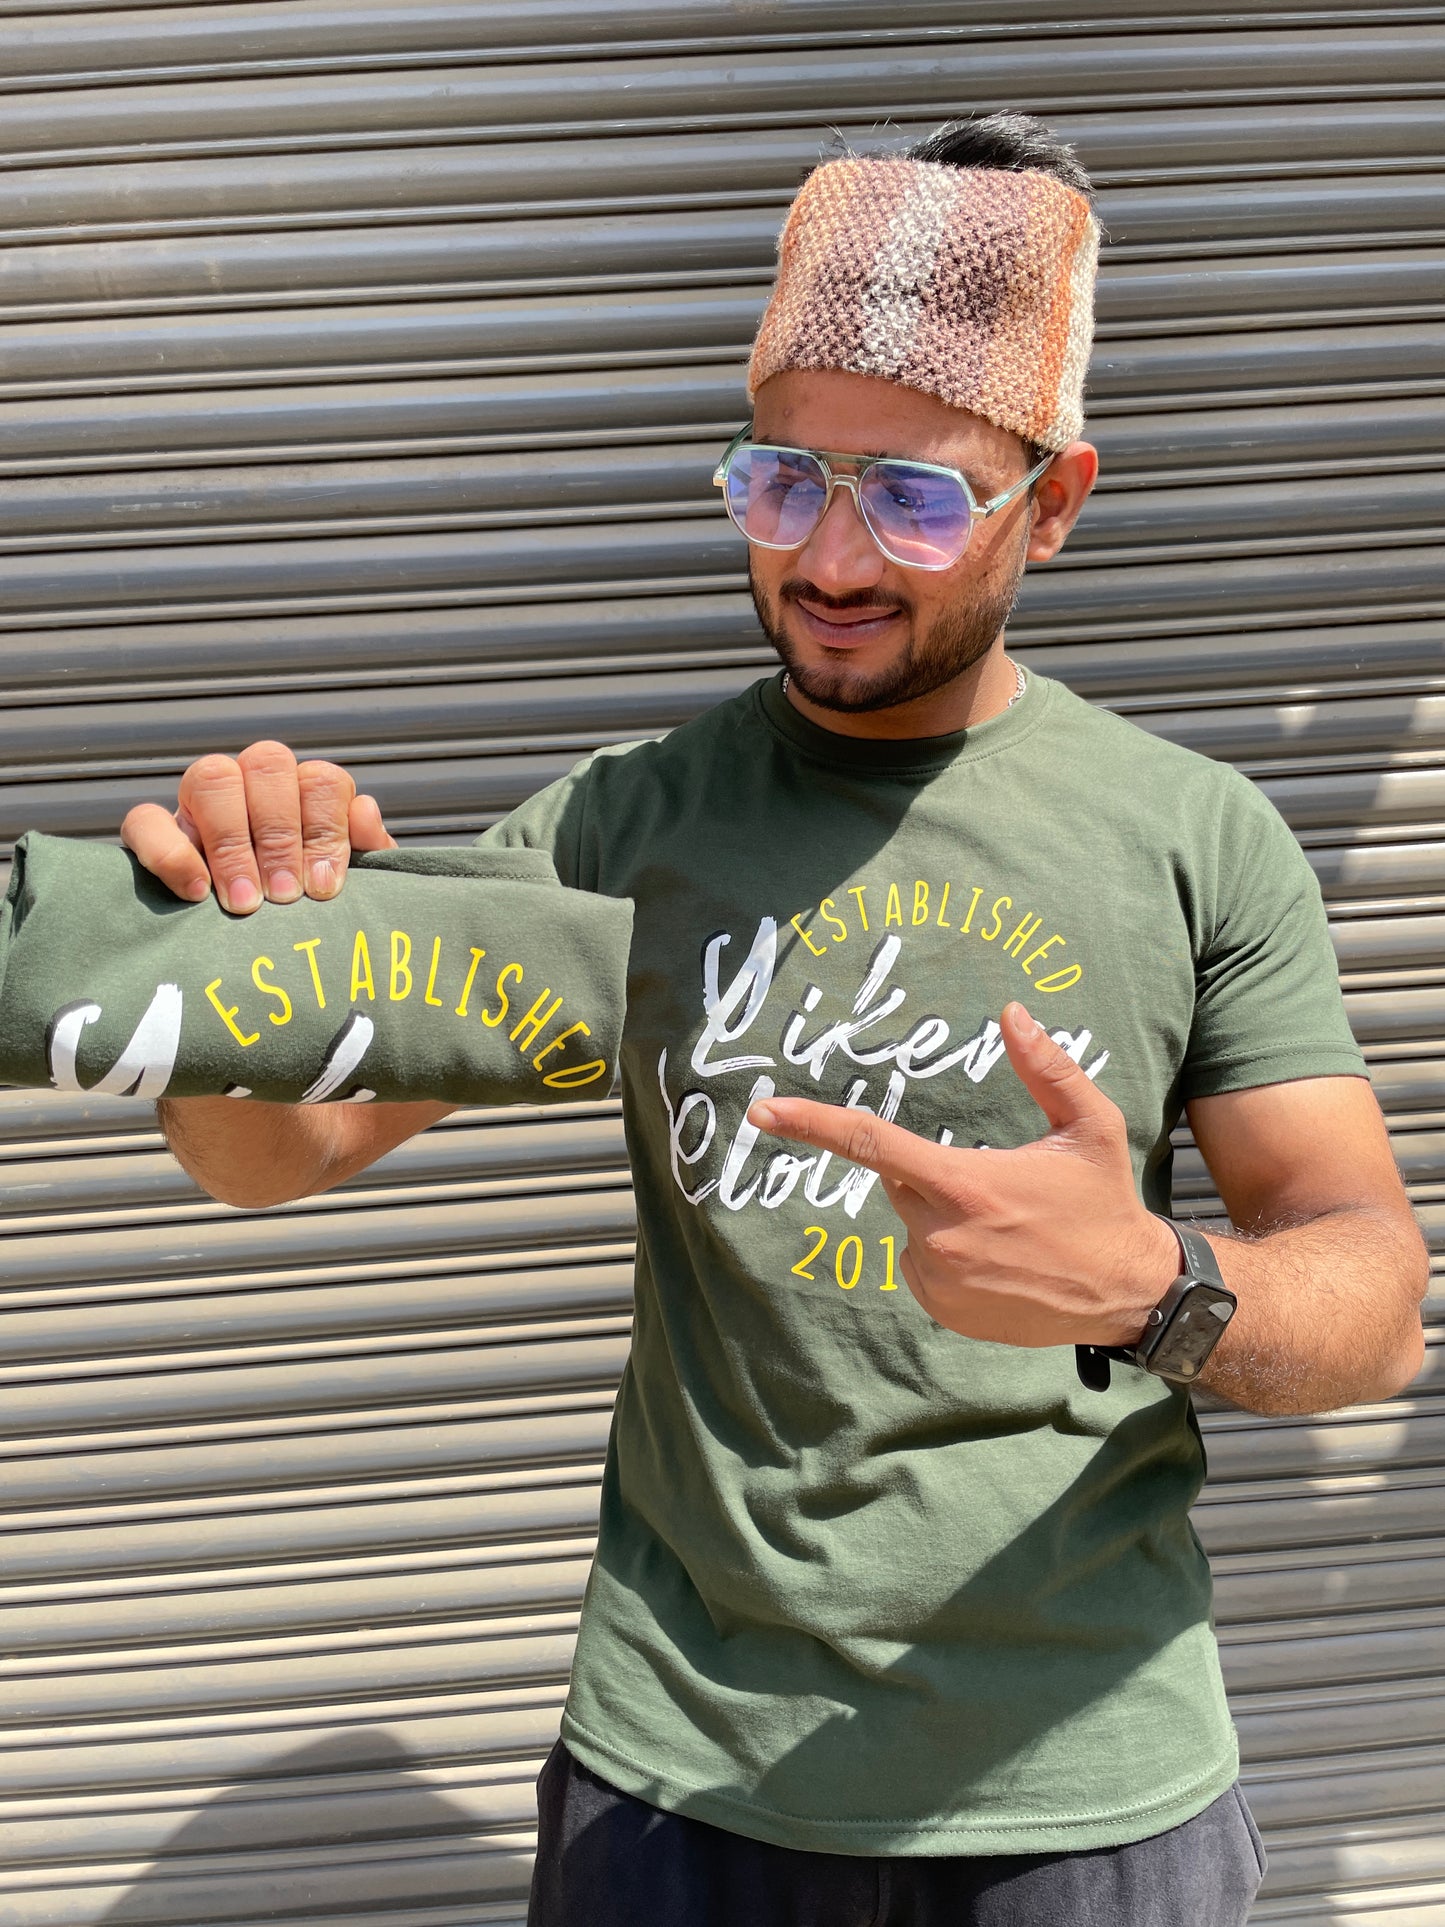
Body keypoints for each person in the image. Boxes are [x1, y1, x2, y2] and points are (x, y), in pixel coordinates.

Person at [120, 114, 1426, 1926]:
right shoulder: (618, 831)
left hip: (1086, 1793)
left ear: (1053, 504)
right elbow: (280, 1154)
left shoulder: (1195, 838)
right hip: (684, 1782)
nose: (828, 556)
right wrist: (229, 975)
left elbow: (1371, 1302)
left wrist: (1154, 1287)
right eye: (781, 482)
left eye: (911, 499)